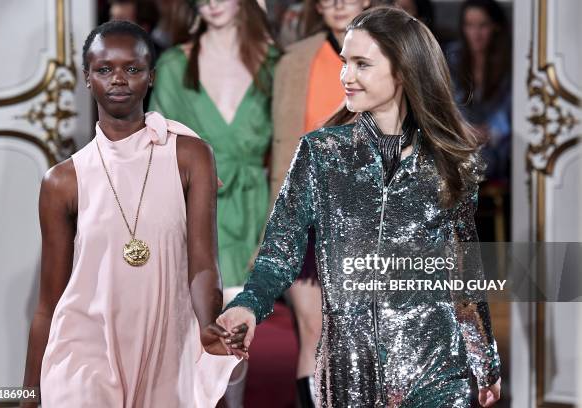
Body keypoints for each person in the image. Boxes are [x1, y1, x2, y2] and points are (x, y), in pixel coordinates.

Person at [218, 6, 502, 407]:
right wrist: (248, 305)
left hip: (438, 371)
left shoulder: (447, 163)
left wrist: (485, 361)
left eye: (362, 64)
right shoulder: (320, 153)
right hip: (350, 374)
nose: (346, 77)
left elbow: (463, 274)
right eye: (344, 63)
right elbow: (280, 251)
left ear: (402, 71)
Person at [21, 21, 247, 408]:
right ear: (87, 78)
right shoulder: (62, 181)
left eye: (133, 68)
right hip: (84, 349)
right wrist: (27, 396)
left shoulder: (189, 156)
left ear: (151, 77)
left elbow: (203, 264)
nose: (119, 79)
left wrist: (208, 321)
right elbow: (49, 302)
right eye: (105, 69)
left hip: (166, 343)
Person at [149, 0, 278, 405]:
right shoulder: (172, 66)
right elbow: (154, 150)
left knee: (237, 331)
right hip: (193, 214)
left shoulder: (276, 64)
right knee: (191, 335)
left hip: (255, 212)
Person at [270, 0, 381, 405]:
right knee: (313, 328)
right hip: (308, 215)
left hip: (370, 219)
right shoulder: (294, 61)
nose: (337, 3)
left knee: (364, 332)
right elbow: (282, 147)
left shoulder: (393, 51)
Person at [445, 0, 511, 183]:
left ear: (496, 27)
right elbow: (446, 102)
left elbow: (511, 108)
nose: (476, 34)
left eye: (483, 26)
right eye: (469, 25)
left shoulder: (509, 62)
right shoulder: (452, 57)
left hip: (497, 143)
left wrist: (491, 132)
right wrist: (464, 129)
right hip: (459, 137)